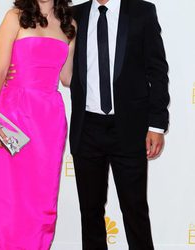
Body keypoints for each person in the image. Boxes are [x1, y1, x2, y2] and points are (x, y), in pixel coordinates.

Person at [70, 0, 169, 249]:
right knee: (90, 214)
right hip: (87, 128)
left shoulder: (142, 11)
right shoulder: (74, 15)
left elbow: (157, 71)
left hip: (130, 128)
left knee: (135, 211)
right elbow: (51, 51)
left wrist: (156, 125)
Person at [0, 0, 76, 248]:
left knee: (42, 201)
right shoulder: (15, 17)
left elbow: (67, 78)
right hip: (12, 117)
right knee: (7, 201)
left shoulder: (70, 25)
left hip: (49, 122)